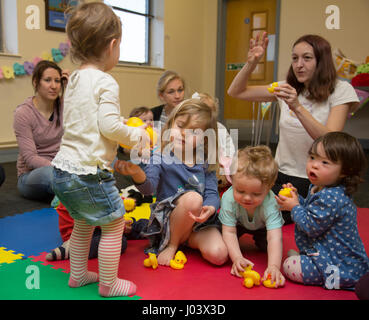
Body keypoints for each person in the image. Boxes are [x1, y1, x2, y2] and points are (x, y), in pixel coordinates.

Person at [51, 2, 147, 297]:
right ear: (113, 45)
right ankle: (109, 284)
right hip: (88, 174)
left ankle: (78, 275)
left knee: (82, 223)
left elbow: (87, 118)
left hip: (62, 170)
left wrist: (115, 121)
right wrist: (134, 134)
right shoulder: (106, 81)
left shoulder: (76, 78)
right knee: (114, 223)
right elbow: (107, 127)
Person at [227, 32, 360, 224]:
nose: (299, 64)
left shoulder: (341, 90)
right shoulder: (287, 87)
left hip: (315, 179)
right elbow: (236, 92)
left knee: (277, 218)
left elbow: (330, 142)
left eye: (307, 58)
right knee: (243, 209)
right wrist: (252, 63)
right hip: (279, 174)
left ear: (321, 61)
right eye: (295, 58)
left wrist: (297, 107)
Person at [115, 98, 229, 266]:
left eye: (194, 132)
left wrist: (210, 208)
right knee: (193, 198)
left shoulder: (204, 160)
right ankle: (171, 244)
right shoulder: (160, 155)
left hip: (196, 224)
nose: (184, 133)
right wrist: (137, 173)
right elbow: (149, 189)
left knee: (219, 255)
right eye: (181, 126)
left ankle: (186, 240)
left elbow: (212, 193)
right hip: (168, 223)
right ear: (170, 126)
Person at [277, 132, 369, 289]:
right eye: (312, 157)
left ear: (345, 171)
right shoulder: (320, 186)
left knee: (288, 266)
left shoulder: (332, 197)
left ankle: (322, 270)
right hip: (326, 251)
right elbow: (311, 209)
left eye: (325, 162)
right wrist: (297, 198)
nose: (314, 165)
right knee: (294, 260)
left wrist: (294, 206)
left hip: (338, 263)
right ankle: (306, 259)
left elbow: (310, 226)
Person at [219, 145, 285, 287]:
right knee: (224, 248)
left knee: (268, 247)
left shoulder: (270, 202)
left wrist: (274, 266)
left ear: (269, 187)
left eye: (256, 194)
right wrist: (237, 258)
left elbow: (274, 236)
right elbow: (229, 231)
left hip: (262, 227)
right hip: (237, 224)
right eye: (240, 191)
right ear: (232, 180)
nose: (247, 198)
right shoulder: (228, 198)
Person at [13, 60, 68, 201]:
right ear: (36, 82)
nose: (54, 86)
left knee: (99, 163)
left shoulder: (64, 105)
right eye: (47, 80)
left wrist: (69, 88)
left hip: (63, 168)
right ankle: (70, 191)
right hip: (33, 175)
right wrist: (63, 169)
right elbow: (31, 159)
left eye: (57, 81)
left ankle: (67, 191)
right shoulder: (23, 113)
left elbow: (84, 121)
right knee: (51, 175)